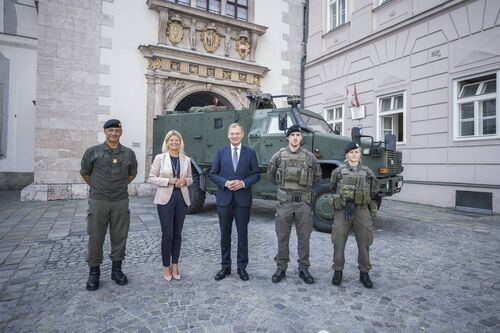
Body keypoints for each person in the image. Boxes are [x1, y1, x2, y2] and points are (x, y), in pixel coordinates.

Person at [80, 119, 138, 291]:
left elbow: (131, 174)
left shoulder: (128, 154)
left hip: (120, 200)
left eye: (117, 131)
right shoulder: (93, 152)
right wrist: (98, 187)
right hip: (99, 201)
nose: (114, 134)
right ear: (105, 132)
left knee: (120, 236)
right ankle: (94, 273)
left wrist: (117, 187)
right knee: (96, 237)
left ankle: (117, 270)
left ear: (121, 132)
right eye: (110, 130)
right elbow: (85, 173)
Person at [267, 125, 322, 284]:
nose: (296, 137)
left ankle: (304, 269)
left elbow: (317, 176)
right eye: (293, 135)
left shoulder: (309, 157)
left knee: (304, 237)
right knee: (282, 236)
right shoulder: (278, 156)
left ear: (301, 138)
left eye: (298, 135)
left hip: (303, 203)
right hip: (285, 202)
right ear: (288, 138)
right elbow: (271, 175)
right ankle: (281, 267)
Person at [208, 123, 260, 281]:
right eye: (232, 133)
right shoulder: (220, 152)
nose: (235, 136)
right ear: (228, 135)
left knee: (242, 235)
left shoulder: (250, 153)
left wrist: (243, 183)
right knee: (225, 234)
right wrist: (225, 182)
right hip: (224, 199)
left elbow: (256, 174)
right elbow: (212, 173)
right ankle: (225, 266)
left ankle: (242, 267)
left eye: (237, 133)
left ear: (242, 134)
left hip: (242, 200)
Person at [329, 142, 379, 288]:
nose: (354, 154)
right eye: (351, 152)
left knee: (364, 241)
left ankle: (364, 272)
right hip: (342, 210)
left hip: (362, 210)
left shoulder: (368, 172)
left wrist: (359, 200)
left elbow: (374, 190)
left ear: (360, 154)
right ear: (346, 155)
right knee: (338, 240)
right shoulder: (338, 172)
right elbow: (333, 188)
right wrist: (346, 200)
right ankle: (338, 270)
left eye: (356, 152)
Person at [148, 130, 193, 281]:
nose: (174, 143)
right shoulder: (160, 158)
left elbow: (190, 178)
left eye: (177, 140)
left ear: (180, 143)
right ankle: (166, 266)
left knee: (178, 234)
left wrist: (185, 181)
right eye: (171, 140)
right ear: (167, 142)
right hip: (165, 199)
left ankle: (175, 265)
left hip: (181, 198)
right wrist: (168, 181)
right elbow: (151, 178)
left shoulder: (186, 159)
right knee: (168, 234)